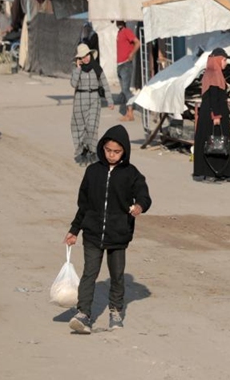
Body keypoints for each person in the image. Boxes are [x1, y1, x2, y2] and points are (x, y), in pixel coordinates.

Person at [64, 125, 152, 334]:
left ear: (125, 152)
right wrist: (74, 230)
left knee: (117, 275)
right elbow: (83, 204)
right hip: (93, 233)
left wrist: (139, 206)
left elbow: (144, 195)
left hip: (119, 235)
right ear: (102, 148)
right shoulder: (93, 171)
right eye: (108, 150)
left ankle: (116, 310)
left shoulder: (131, 174)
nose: (111, 155)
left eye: (116, 151)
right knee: (89, 274)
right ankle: (83, 314)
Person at [192, 48, 230, 182]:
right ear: (218, 60)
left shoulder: (208, 73)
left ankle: (204, 171)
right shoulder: (215, 74)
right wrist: (216, 116)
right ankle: (214, 172)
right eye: (224, 60)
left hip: (206, 113)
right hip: (214, 115)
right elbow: (214, 97)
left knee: (206, 140)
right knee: (216, 142)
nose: (225, 63)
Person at [71, 43, 114, 166]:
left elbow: (105, 84)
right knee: (79, 128)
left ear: (90, 54)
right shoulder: (76, 70)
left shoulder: (97, 68)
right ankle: (84, 150)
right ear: (79, 59)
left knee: (92, 127)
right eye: (82, 57)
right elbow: (73, 84)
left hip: (94, 99)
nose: (86, 58)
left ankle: (92, 152)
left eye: (87, 55)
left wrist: (109, 100)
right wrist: (78, 69)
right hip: (79, 100)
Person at [115, 20, 140, 122]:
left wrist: (132, 54)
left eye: (119, 21)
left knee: (126, 90)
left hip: (126, 64)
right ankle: (128, 112)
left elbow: (137, 43)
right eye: (117, 21)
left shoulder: (126, 31)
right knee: (124, 90)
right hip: (120, 65)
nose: (117, 22)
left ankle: (130, 113)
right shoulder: (119, 32)